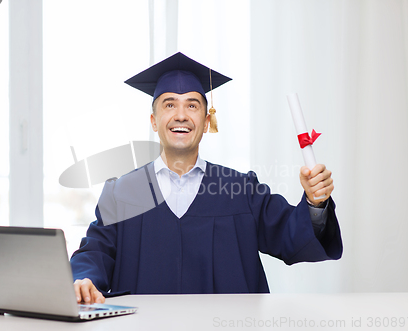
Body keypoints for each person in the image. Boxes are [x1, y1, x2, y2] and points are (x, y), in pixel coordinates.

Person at [70, 52, 342, 304]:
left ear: (206, 119)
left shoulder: (240, 190)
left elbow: (291, 235)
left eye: (192, 105)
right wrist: (83, 280)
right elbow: (95, 251)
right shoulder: (122, 193)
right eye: (169, 104)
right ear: (153, 120)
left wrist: (315, 203)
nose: (180, 115)